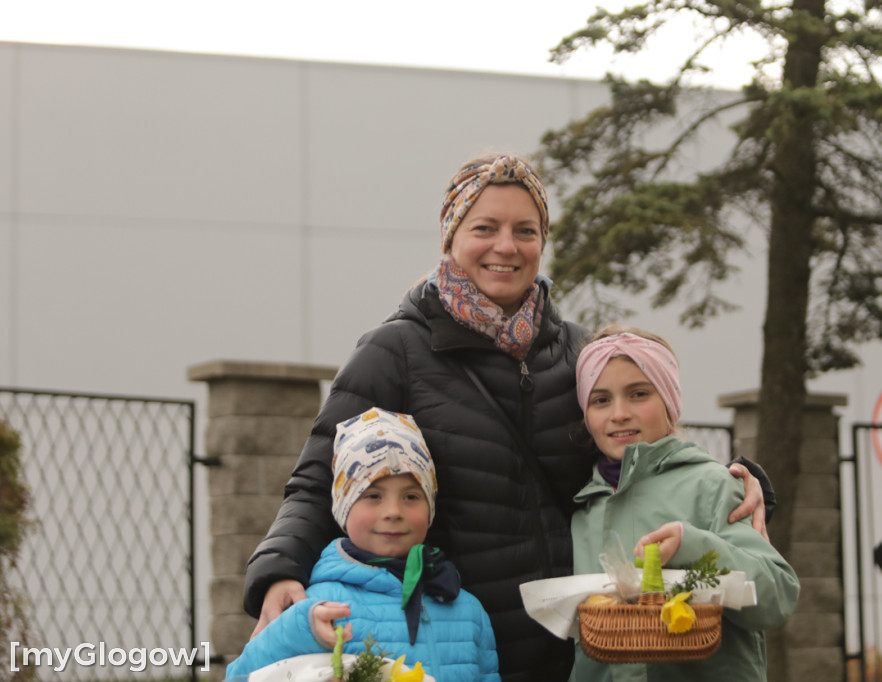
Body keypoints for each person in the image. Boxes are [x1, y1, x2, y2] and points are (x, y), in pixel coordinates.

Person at [242, 153, 774, 682]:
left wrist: (734, 480)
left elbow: (636, 456)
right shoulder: (394, 352)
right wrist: (278, 570)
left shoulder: (577, 353)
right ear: (450, 238)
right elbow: (320, 480)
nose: (506, 246)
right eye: (485, 227)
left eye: (525, 230)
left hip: (580, 646)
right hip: (462, 638)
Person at [569, 326, 800, 682]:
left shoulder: (711, 485)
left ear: (670, 402)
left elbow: (777, 597)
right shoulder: (583, 506)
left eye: (638, 394)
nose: (619, 413)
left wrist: (694, 546)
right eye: (600, 400)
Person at [227, 408, 500, 681]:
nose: (393, 511)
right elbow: (240, 676)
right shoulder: (318, 607)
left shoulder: (468, 610)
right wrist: (300, 630)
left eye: (411, 496)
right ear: (344, 508)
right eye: (373, 495)